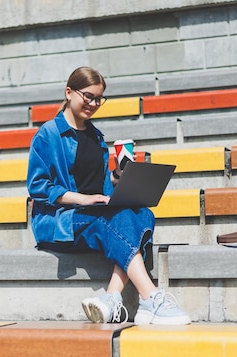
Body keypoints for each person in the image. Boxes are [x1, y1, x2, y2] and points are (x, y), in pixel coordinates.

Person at [26, 66, 190, 325]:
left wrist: (118, 177)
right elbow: (38, 187)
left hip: (91, 213)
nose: (93, 103)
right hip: (59, 219)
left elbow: (102, 190)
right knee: (115, 222)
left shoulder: (96, 137)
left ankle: (112, 297)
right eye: (88, 96)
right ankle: (150, 297)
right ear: (69, 92)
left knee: (142, 213)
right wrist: (81, 199)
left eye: (99, 98)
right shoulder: (48, 135)